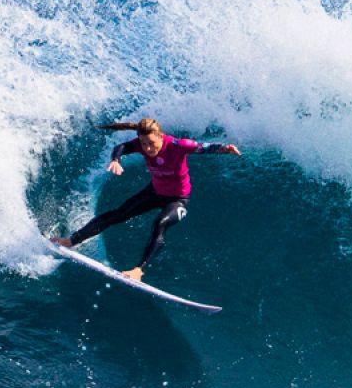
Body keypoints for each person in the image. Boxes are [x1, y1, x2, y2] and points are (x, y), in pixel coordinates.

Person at [53, 118, 240, 281]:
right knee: (118, 214)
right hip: (154, 192)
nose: (148, 148)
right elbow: (122, 147)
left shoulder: (178, 146)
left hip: (178, 199)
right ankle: (70, 241)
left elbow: (203, 147)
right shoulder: (142, 144)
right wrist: (116, 160)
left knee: (160, 223)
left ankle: (138, 270)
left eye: (151, 143)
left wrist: (224, 149)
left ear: (161, 136)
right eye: (144, 144)